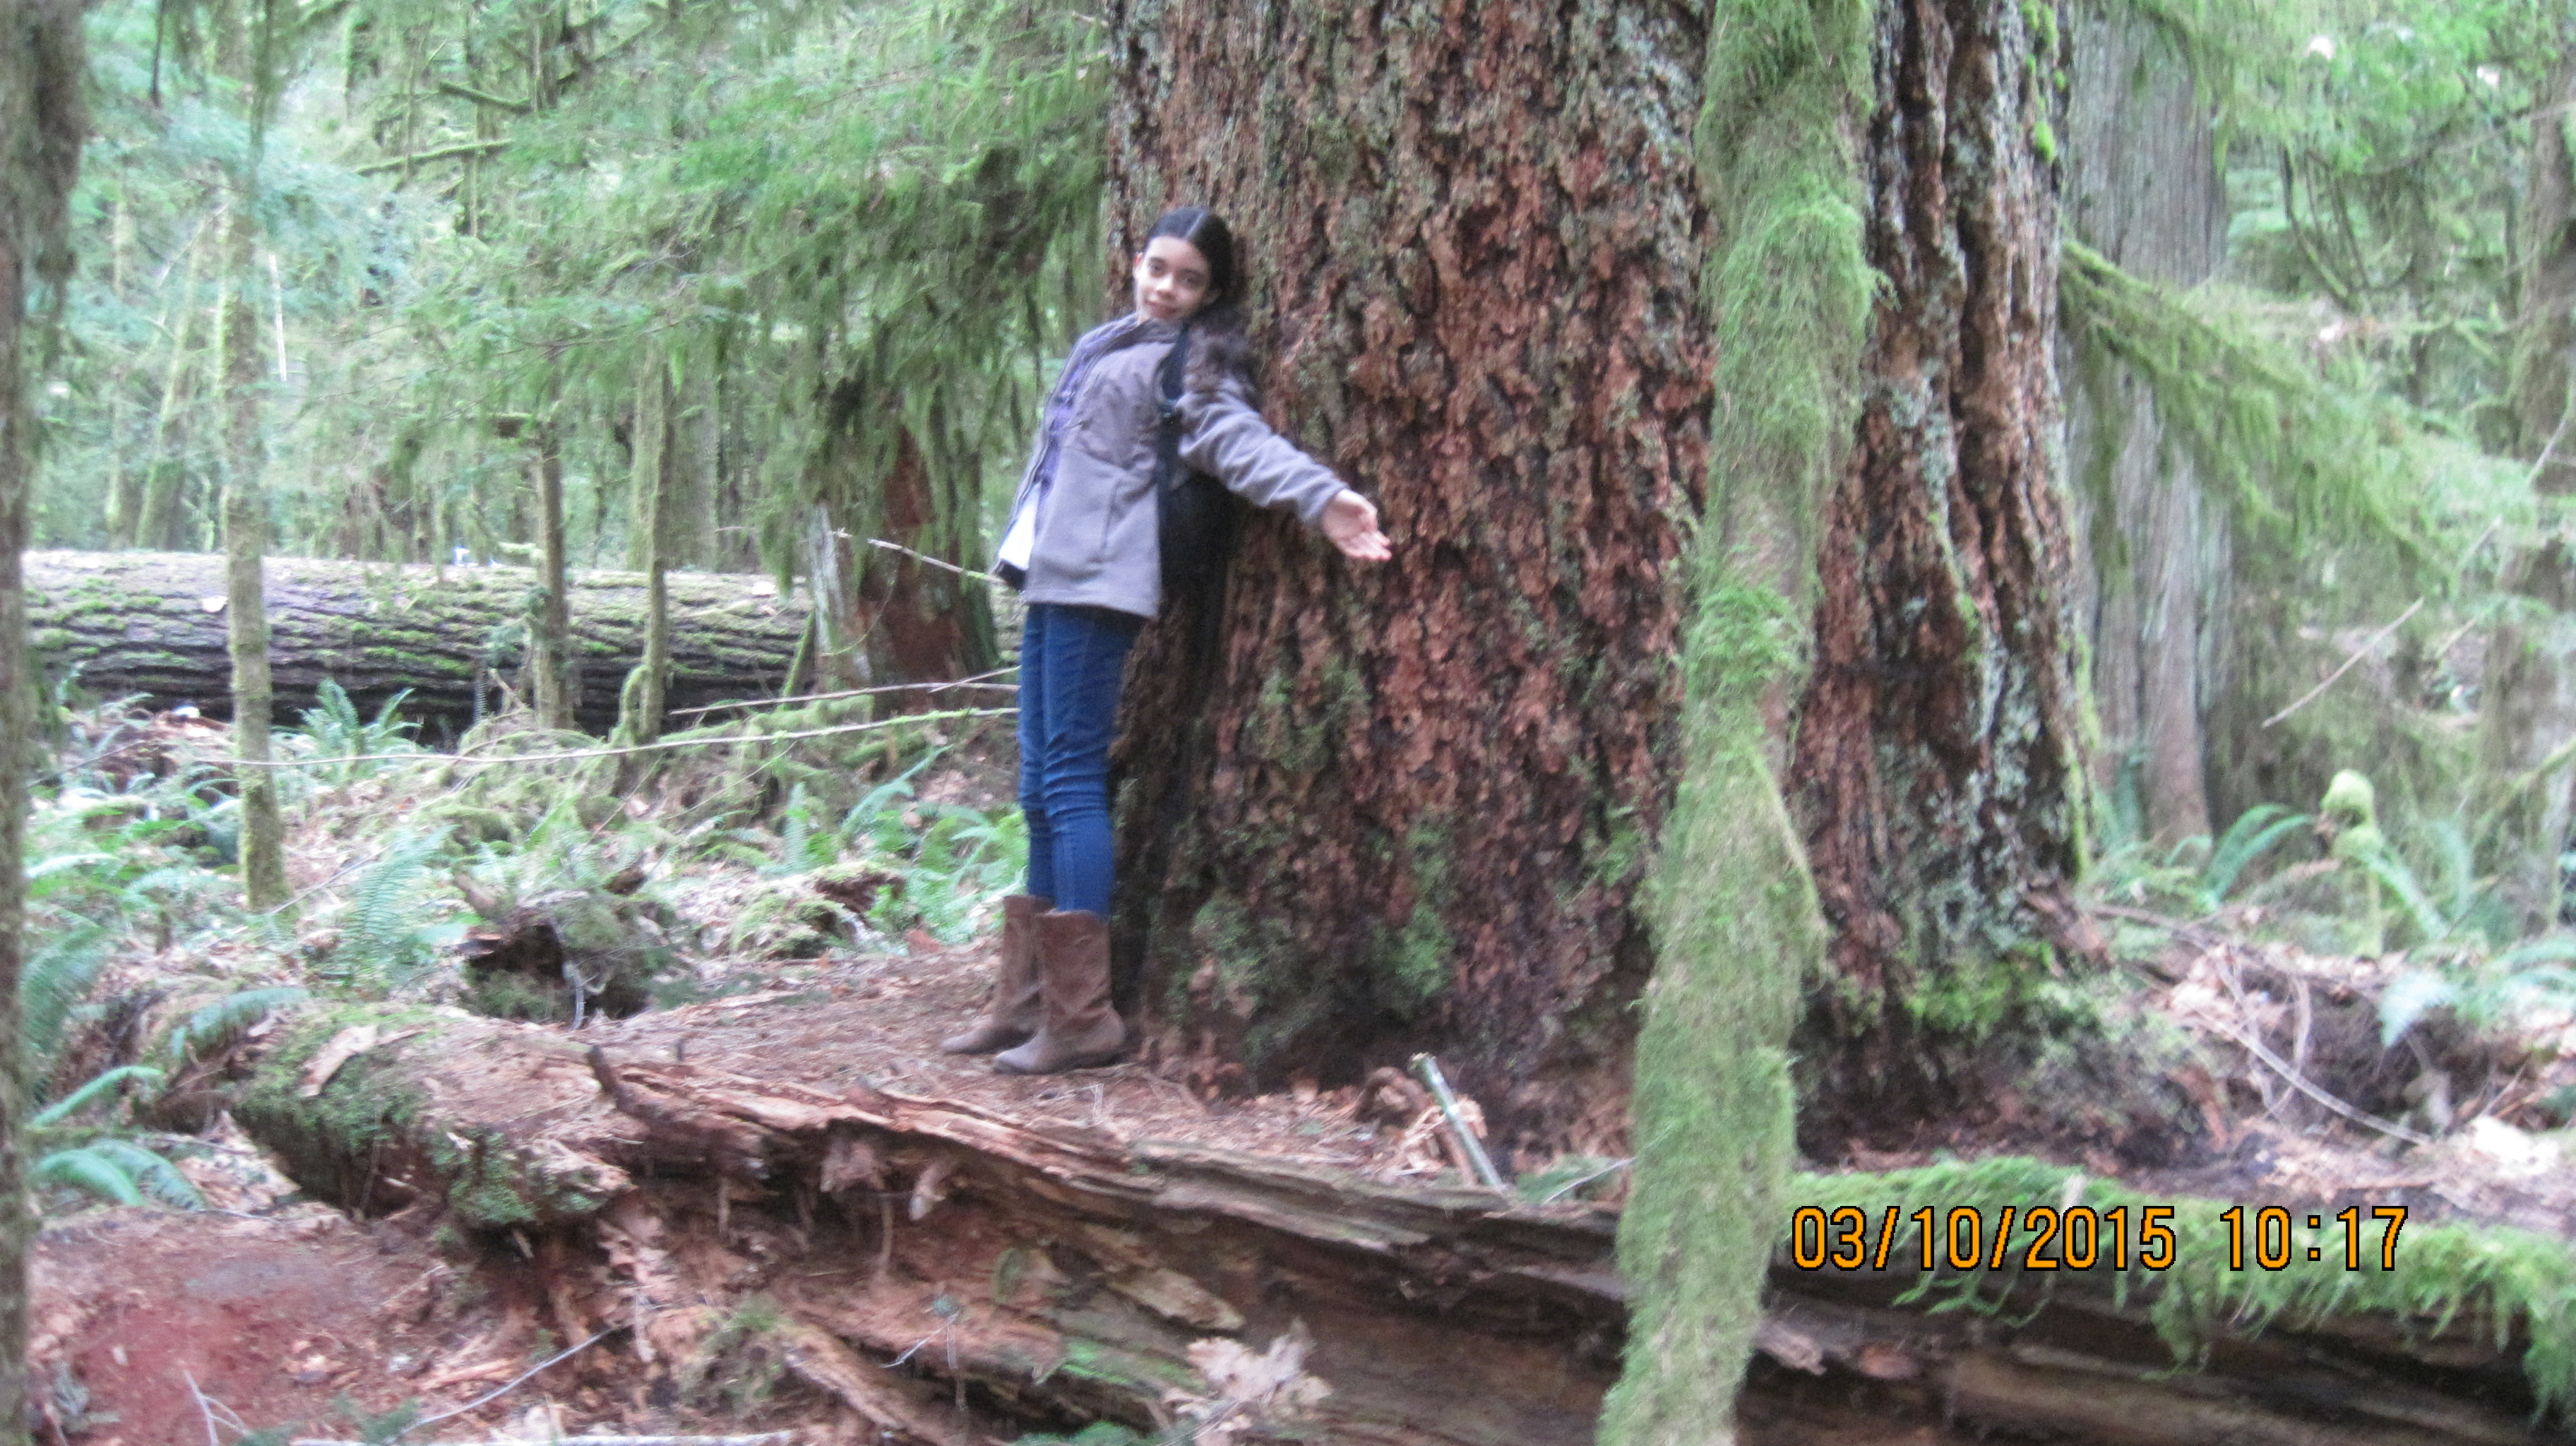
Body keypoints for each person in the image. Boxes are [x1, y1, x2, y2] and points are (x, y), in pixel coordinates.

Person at [941, 205, 1393, 1075]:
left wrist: (1322, 498)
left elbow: (1234, 441)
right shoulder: (1109, 341)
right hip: (1049, 573)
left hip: (1100, 581)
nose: (1167, 288)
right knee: (1037, 784)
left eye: (1189, 279)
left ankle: (1081, 1016)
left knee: (1071, 780)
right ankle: (1023, 999)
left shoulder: (1194, 362)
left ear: (1210, 293)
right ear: (1137, 263)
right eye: (1158, 268)